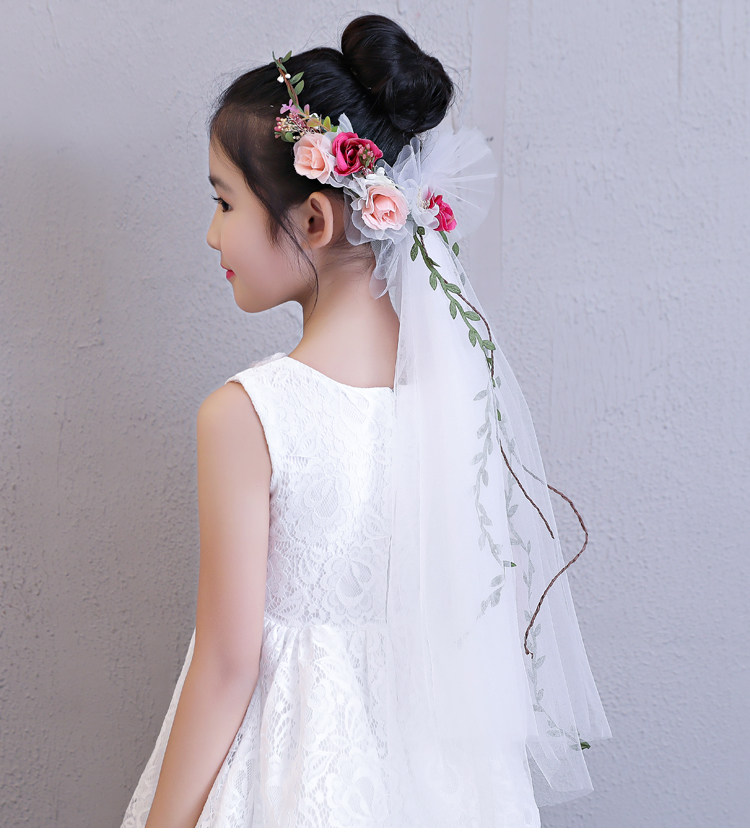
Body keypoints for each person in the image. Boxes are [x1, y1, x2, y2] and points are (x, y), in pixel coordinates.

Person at [120, 13, 611, 829]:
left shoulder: (249, 416)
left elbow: (229, 666)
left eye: (224, 202)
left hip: (293, 775)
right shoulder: (456, 399)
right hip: (445, 783)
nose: (211, 234)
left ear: (316, 219)